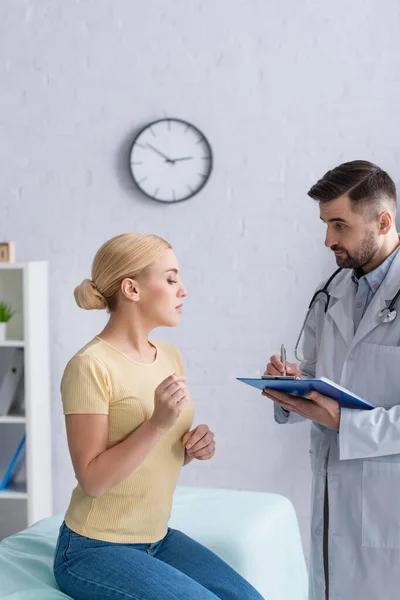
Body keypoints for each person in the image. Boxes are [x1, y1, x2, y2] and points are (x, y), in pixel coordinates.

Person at [53, 233, 263, 600]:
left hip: (157, 539)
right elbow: (93, 480)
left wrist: (191, 448)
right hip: (93, 549)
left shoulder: (168, 355)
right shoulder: (90, 366)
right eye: (170, 278)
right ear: (132, 289)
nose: (183, 290)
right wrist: (157, 425)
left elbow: (150, 459)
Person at [264, 161, 400, 600]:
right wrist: (290, 386)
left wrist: (346, 422)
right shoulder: (333, 291)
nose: (328, 240)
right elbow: (316, 375)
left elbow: (341, 412)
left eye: (339, 225)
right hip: (331, 491)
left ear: (383, 221)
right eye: (325, 224)